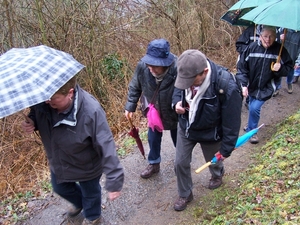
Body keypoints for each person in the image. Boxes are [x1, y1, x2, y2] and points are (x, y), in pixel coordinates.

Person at [21, 77, 124, 225]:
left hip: (87, 165)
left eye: (53, 99)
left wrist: (114, 180)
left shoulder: (91, 111)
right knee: (60, 187)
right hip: (59, 160)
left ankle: (93, 217)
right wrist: (32, 121)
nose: (47, 101)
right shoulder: (44, 103)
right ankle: (80, 203)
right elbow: (38, 113)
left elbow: (106, 145)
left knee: (91, 194)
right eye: (46, 98)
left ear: (70, 93)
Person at [172, 49, 242, 211]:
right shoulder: (186, 72)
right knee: (180, 163)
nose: (187, 84)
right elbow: (177, 89)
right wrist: (176, 103)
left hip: (211, 131)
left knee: (214, 160)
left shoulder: (226, 85)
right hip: (187, 127)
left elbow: (232, 122)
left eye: (191, 81)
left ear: (204, 72)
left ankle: (217, 175)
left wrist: (227, 148)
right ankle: (185, 193)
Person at [124, 38, 178, 179]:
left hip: (173, 110)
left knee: (177, 136)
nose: (151, 68)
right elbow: (135, 86)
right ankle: (153, 163)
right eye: (149, 64)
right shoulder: (143, 66)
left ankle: (182, 162)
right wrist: (130, 105)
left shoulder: (177, 67)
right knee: (153, 136)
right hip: (154, 109)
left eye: (155, 65)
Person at [236, 25, 293, 144]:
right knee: (252, 104)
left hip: (267, 86)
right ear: (260, 37)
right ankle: (251, 125)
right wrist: (244, 84)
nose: (268, 39)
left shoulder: (279, 50)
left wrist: (280, 68)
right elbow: (242, 68)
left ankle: (252, 131)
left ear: (275, 37)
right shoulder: (251, 48)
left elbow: (289, 67)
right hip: (252, 85)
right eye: (265, 36)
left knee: (254, 107)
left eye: (271, 36)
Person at [274, 29, 300, 95]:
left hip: (292, 58)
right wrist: (279, 39)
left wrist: (298, 62)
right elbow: (275, 43)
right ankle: (277, 87)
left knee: (290, 73)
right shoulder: (283, 30)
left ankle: (289, 83)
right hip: (281, 57)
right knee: (279, 72)